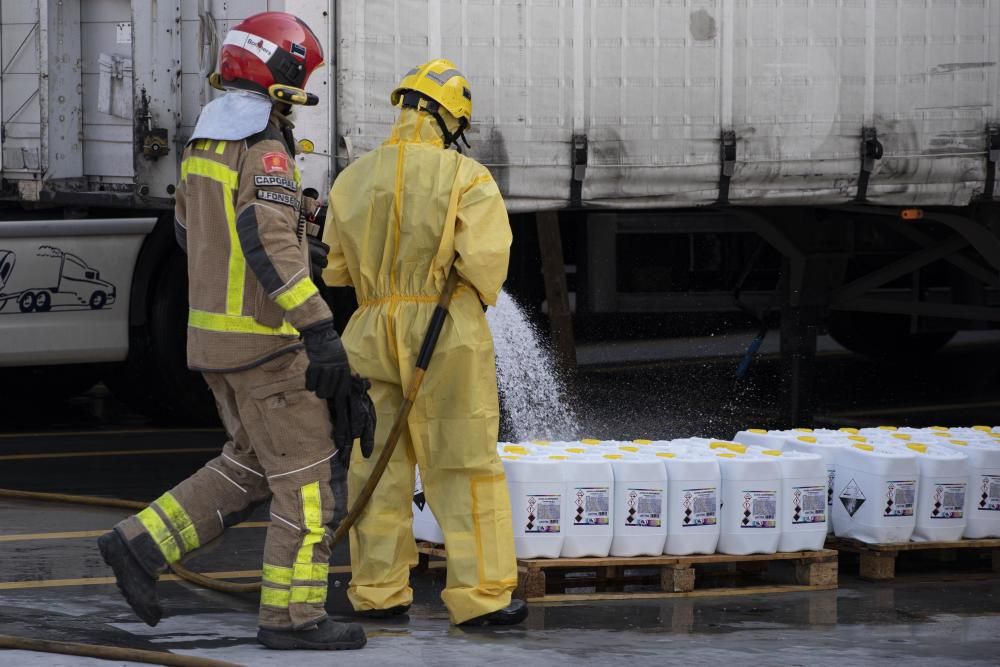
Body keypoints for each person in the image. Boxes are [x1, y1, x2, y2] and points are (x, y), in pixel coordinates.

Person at [97, 12, 366, 651]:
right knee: (308, 486)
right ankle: (294, 620)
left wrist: (301, 244)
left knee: (250, 467)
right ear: (282, 81)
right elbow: (265, 239)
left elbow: (196, 236)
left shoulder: (203, 145)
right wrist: (320, 330)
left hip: (217, 347)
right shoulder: (264, 149)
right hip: (268, 348)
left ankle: (137, 545)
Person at [321, 59, 527, 627]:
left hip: (368, 329)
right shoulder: (467, 177)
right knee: (462, 464)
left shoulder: (352, 178)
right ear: (449, 118)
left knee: (375, 467)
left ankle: (378, 594)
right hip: (445, 330)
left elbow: (337, 272)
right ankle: (481, 599)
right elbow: (486, 267)